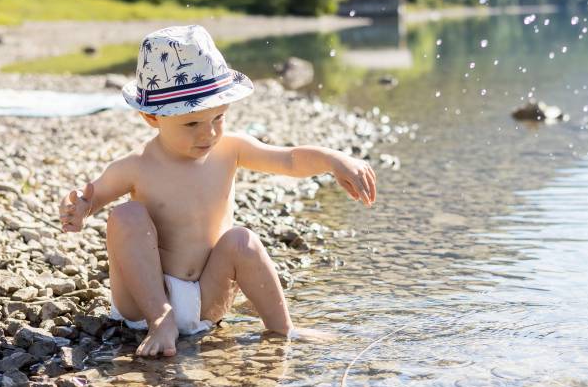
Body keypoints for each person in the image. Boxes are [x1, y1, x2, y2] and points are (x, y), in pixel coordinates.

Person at [58, 25, 377, 357]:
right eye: (192, 123)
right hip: (144, 298)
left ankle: (283, 329)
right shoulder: (136, 166)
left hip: (207, 296)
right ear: (152, 117)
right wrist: (78, 209)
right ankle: (161, 321)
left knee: (243, 240)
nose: (208, 133)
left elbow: (288, 160)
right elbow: (91, 198)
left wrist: (331, 159)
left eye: (218, 118)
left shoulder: (231, 148)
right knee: (126, 216)